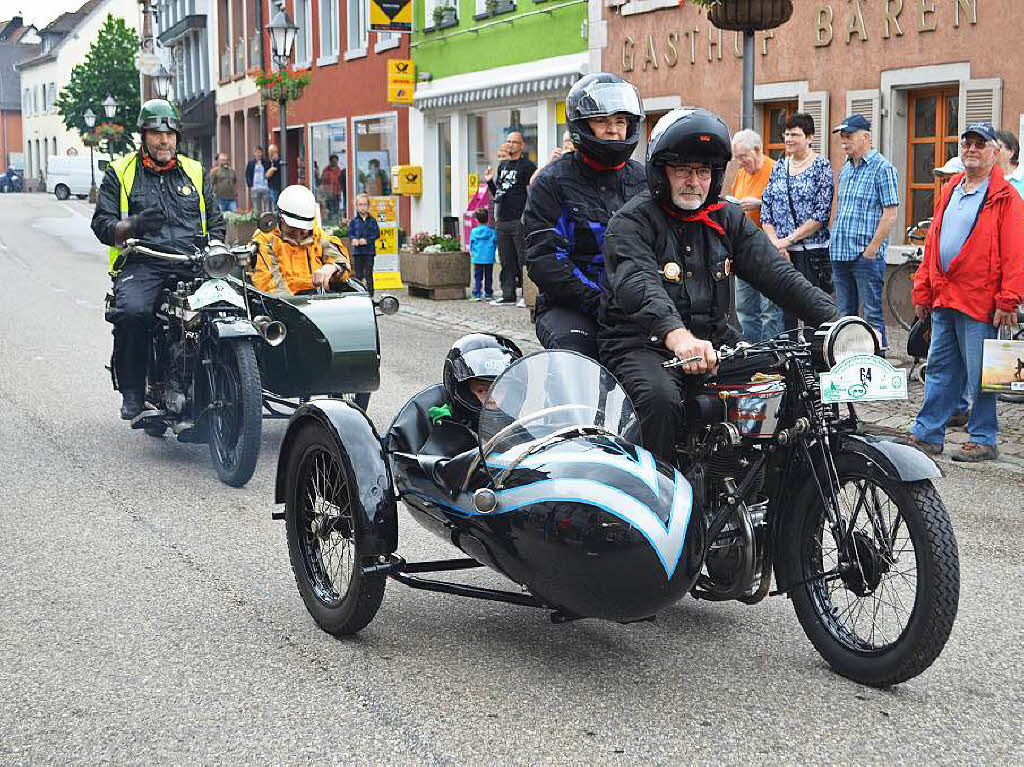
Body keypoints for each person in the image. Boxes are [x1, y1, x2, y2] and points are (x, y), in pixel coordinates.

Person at [598, 108, 837, 465]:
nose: (694, 181)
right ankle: (657, 499)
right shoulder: (632, 221)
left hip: (714, 343)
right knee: (659, 401)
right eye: (683, 170)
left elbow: (777, 274)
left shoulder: (726, 218)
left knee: (783, 388)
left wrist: (839, 322)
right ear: (662, 172)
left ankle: (769, 495)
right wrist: (678, 337)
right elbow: (639, 283)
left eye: (704, 171)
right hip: (641, 345)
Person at [91, 99, 225, 420]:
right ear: (143, 136)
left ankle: (234, 378)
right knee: (132, 313)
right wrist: (130, 226)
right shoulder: (121, 172)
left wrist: (216, 247)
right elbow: (102, 225)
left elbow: (217, 222)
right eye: (156, 133)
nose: (164, 140)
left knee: (231, 307)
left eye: (170, 134)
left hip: (192, 261)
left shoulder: (195, 171)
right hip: (142, 262)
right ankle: (134, 390)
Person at [905, 123, 1024, 462]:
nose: (972, 149)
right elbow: (933, 244)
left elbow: (1016, 253)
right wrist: (922, 290)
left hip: (981, 301)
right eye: (967, 143)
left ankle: (984, 438)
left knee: (983, 375)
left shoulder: (1006, 197)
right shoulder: (952, 188)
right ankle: (928, 434)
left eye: (980, 144)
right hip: (945, 297)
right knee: (940, 368)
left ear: (995, 153)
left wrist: (1008, 299)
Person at [523, 73, 647, 359]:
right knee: (577, 360)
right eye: (602, 121)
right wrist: (600, 301)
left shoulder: (646, 180)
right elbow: (545, 259)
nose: (613, 130)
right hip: (570, 307)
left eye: (620, 121)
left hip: (638, 304)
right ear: (582, 125)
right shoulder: (552, 182)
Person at [830, 114, 900, 354]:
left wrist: (871, 251)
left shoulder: (883, 168)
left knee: (872, 317)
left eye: (849, 136)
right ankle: (847, 366)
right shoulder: (846, 170)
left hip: (865, 257)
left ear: (866, 137)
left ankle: (876, 368)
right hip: (840, 253)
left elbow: (890, 214)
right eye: (842, 137)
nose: (844, 141)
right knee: (843, 319)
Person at [761, 112, 836, 333]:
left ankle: (815, 361)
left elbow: (821, 215)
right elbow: (767, 208)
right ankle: (788, 363)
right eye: (786, 134)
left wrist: (787, 240)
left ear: (810, 138)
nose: (789, 139)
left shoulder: (820, 166)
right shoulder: (779, 166)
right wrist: (776, 243)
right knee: (786, 314)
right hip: (782, 253)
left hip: (811, 253)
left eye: (795, 134)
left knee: (815, 313)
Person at [251, 184, 352, 296]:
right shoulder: (265, 240)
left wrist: (331, 268)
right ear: (281, 217)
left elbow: (342, 262)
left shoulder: (316, 234)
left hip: (319, 301)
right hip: (288, 305)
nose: (300, 233)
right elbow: (271, 286)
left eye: (303, 228)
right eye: (294, 228)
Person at [728, 129, 780, 342]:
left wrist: (759, 204)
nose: (740, 163)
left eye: (743, 157)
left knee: (770, 309)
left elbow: (784, 206)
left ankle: (772, 357)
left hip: (768, 249)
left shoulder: (775, 170)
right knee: (745, 308)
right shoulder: (741, 174)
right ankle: (751, 354)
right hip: (743, 249)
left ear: (757, 150)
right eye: (737, 158)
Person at [486, 131, 536, 306]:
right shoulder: (503, 166)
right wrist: (490, 182)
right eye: (508, 141)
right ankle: (508, 294)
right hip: (502, 219)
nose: (511, 144)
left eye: (515, 142)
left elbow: (533, 192)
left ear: (521, 145)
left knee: (522, 259)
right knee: (506, 260)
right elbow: (498, 194)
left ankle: (525, 294)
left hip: (518, 219)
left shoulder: (527, 166)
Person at [434, 334, 522, 432]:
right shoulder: (447, 427)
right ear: (465, 392)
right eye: (481, 390)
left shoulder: (522, 421)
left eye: (499, 388)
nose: (492, 398)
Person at [348, 192, 380, 295]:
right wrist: (353, 239)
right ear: (356, 206)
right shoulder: (354, 221)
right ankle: (358, 293)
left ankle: (370, 294)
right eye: (360, 205)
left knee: (368, 274)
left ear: (368, 206)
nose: (362, 207)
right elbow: (350, 233)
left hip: (369, 251)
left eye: (365, 204)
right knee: (358, 275)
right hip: (357, 252)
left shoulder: (372, 221)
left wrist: (367, 240)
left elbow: (376, 233)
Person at [469, 208, 497, 301]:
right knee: (488, 276)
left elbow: (471, 244)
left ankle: (477, 293)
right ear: (487, 219)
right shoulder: (492, 232)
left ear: (476, 219)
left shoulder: (473, 232)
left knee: (477, 276)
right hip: (489, 258)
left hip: (477, 258)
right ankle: (488, 293)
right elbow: (495, 242)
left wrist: (473, 253)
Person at [245, 146, 272, 215]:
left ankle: (267, 222)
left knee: (267, 208)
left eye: (260, 152)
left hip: (265, 187)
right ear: (254, 153)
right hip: (255, 188)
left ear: (262, 153)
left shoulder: (266, 162)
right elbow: (247, 174)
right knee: (256, 208)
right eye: (257, 152)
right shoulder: (251, 163)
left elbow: (269, 172)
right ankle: (258, 223)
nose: (258, 154)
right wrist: (250, 185)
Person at [319, 154, 344, 223]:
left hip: (337, 193)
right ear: (330, 161)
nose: (334, 162)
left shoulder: (339, 170)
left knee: (336, 209)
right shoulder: (326, 170)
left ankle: (336, 221)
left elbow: (341, 181)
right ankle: (328, 222)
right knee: (328, 209)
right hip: (328, 193)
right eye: (333, 161)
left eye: (336, 161)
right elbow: (322, 181)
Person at [266, 144, 282, 209]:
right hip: (272, 186)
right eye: (272, 152)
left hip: (278, 185)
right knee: (274, 202)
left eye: (275, 152)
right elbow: (267, 175)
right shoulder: (268, 162)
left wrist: (271, 169)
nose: (274, 154)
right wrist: (271, 170)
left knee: (277, 203)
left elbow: (274, 170)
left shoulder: (278, 161)